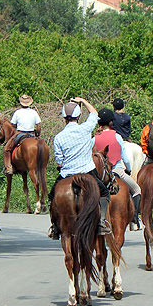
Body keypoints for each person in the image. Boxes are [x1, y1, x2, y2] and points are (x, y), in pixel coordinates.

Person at [47, 97, 111, 239]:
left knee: (52, 196)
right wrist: (83, 100)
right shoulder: (85, 129)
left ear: (64, 117)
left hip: (66, 174)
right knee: (105, 193)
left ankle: (55, 227)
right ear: (79, 116)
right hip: (87, 171)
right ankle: (101, 223)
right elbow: (94, 113)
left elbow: (59, 161)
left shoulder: (58, 137)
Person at [94, 108, 142, 229]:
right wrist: (129, 169)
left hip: (98, 175)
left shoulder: (94, 138)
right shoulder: (117, 137)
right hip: (116, 170)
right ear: (111, 122)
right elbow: (125, 158)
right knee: (137, 190)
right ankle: (133, 220)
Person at [3, 94, 41, 174]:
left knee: (6, 149)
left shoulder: (17, 112)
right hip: (31, 134)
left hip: (20, 134)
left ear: (21, 103)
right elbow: (38, 126)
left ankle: (9, 168)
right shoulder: (34, 112)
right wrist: (37, 134)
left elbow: (12, 125)